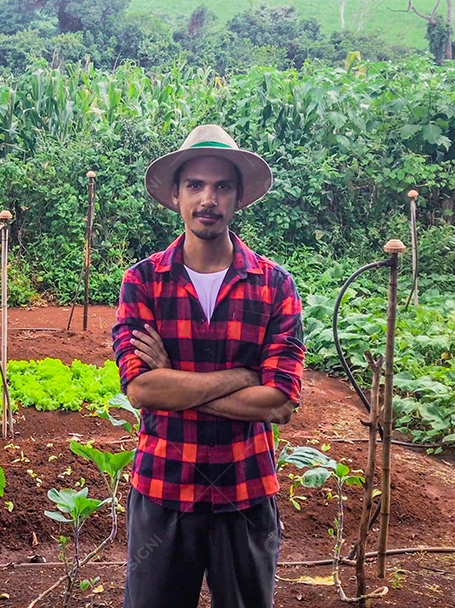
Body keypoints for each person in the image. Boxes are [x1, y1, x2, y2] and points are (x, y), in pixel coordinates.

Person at [111, 124, 305, 608]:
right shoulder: (143, 282)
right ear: (176, 194)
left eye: (221, 186)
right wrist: (244, 377)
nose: (208, 199)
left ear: (238, 196)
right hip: (163, 488)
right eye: (195, 185)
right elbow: (142, 391)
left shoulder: (274, 285)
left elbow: (279, 402)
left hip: (245, 492)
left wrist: (177, 380)